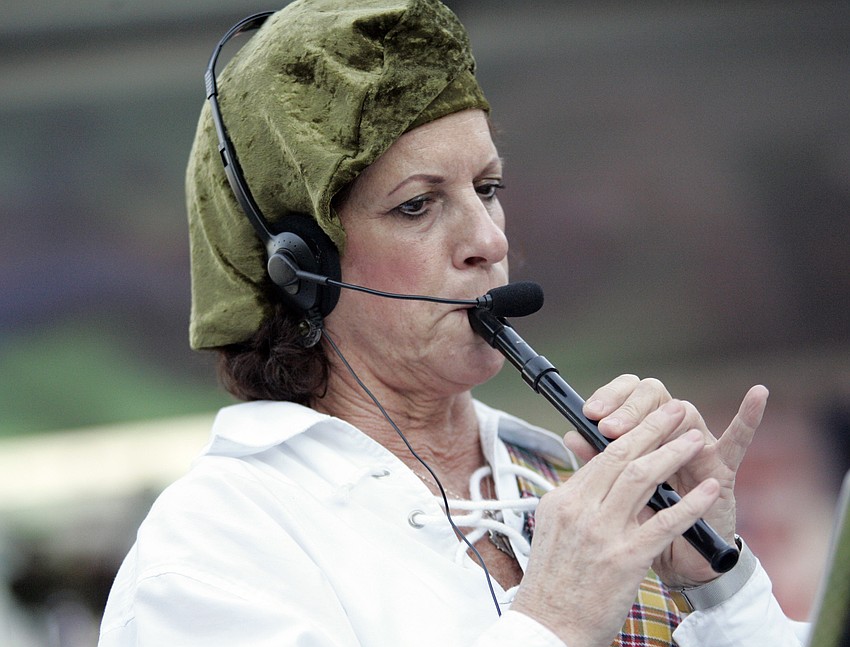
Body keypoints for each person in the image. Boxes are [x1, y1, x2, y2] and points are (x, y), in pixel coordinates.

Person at [99, 1, 810, 645]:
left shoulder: (567, 479)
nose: (490, 240)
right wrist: (554, 621)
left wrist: (721, 587)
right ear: (300, 267)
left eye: (488, 188)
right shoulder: (211, 552)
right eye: (418, 204)